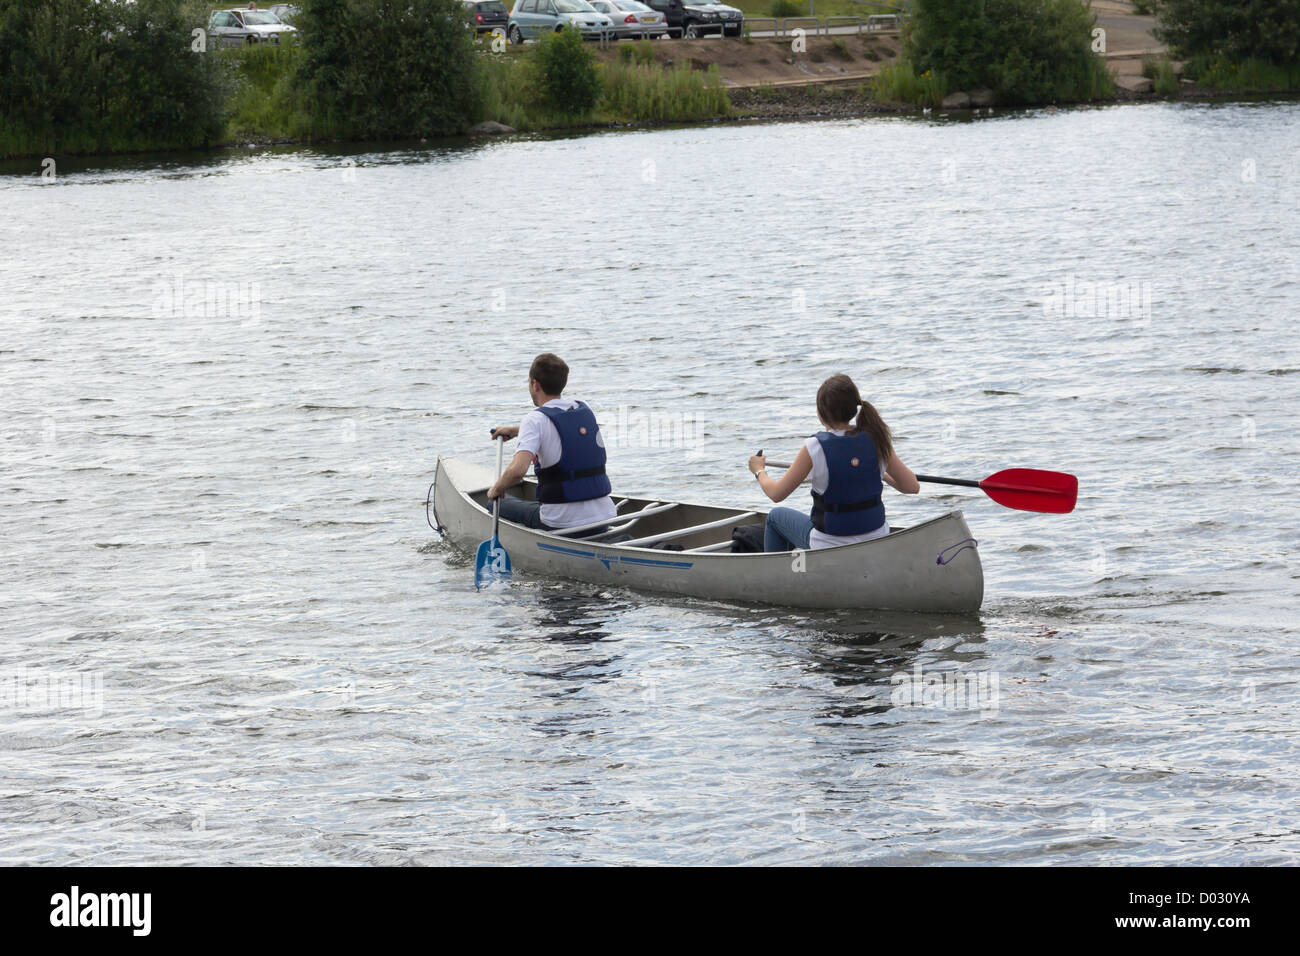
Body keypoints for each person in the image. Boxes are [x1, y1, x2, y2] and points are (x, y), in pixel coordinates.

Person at [748, 374, 919, 552]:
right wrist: (881, 473)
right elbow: (912, 487)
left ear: (821, 412)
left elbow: (776, 494)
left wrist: (759, 470)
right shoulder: (877, 438)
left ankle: (777, 575)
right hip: (876, 537)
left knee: (776, 517)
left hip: (830, 544)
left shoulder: (814, 447)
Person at [488, 353, 617, 532]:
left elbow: (518, 471)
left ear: (535, 384)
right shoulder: (583, 408)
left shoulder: (534, 420)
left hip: (561, 522)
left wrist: (496, 488)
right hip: (604, 515)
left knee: (493, 503)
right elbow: (563, 429)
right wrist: (517, 431)